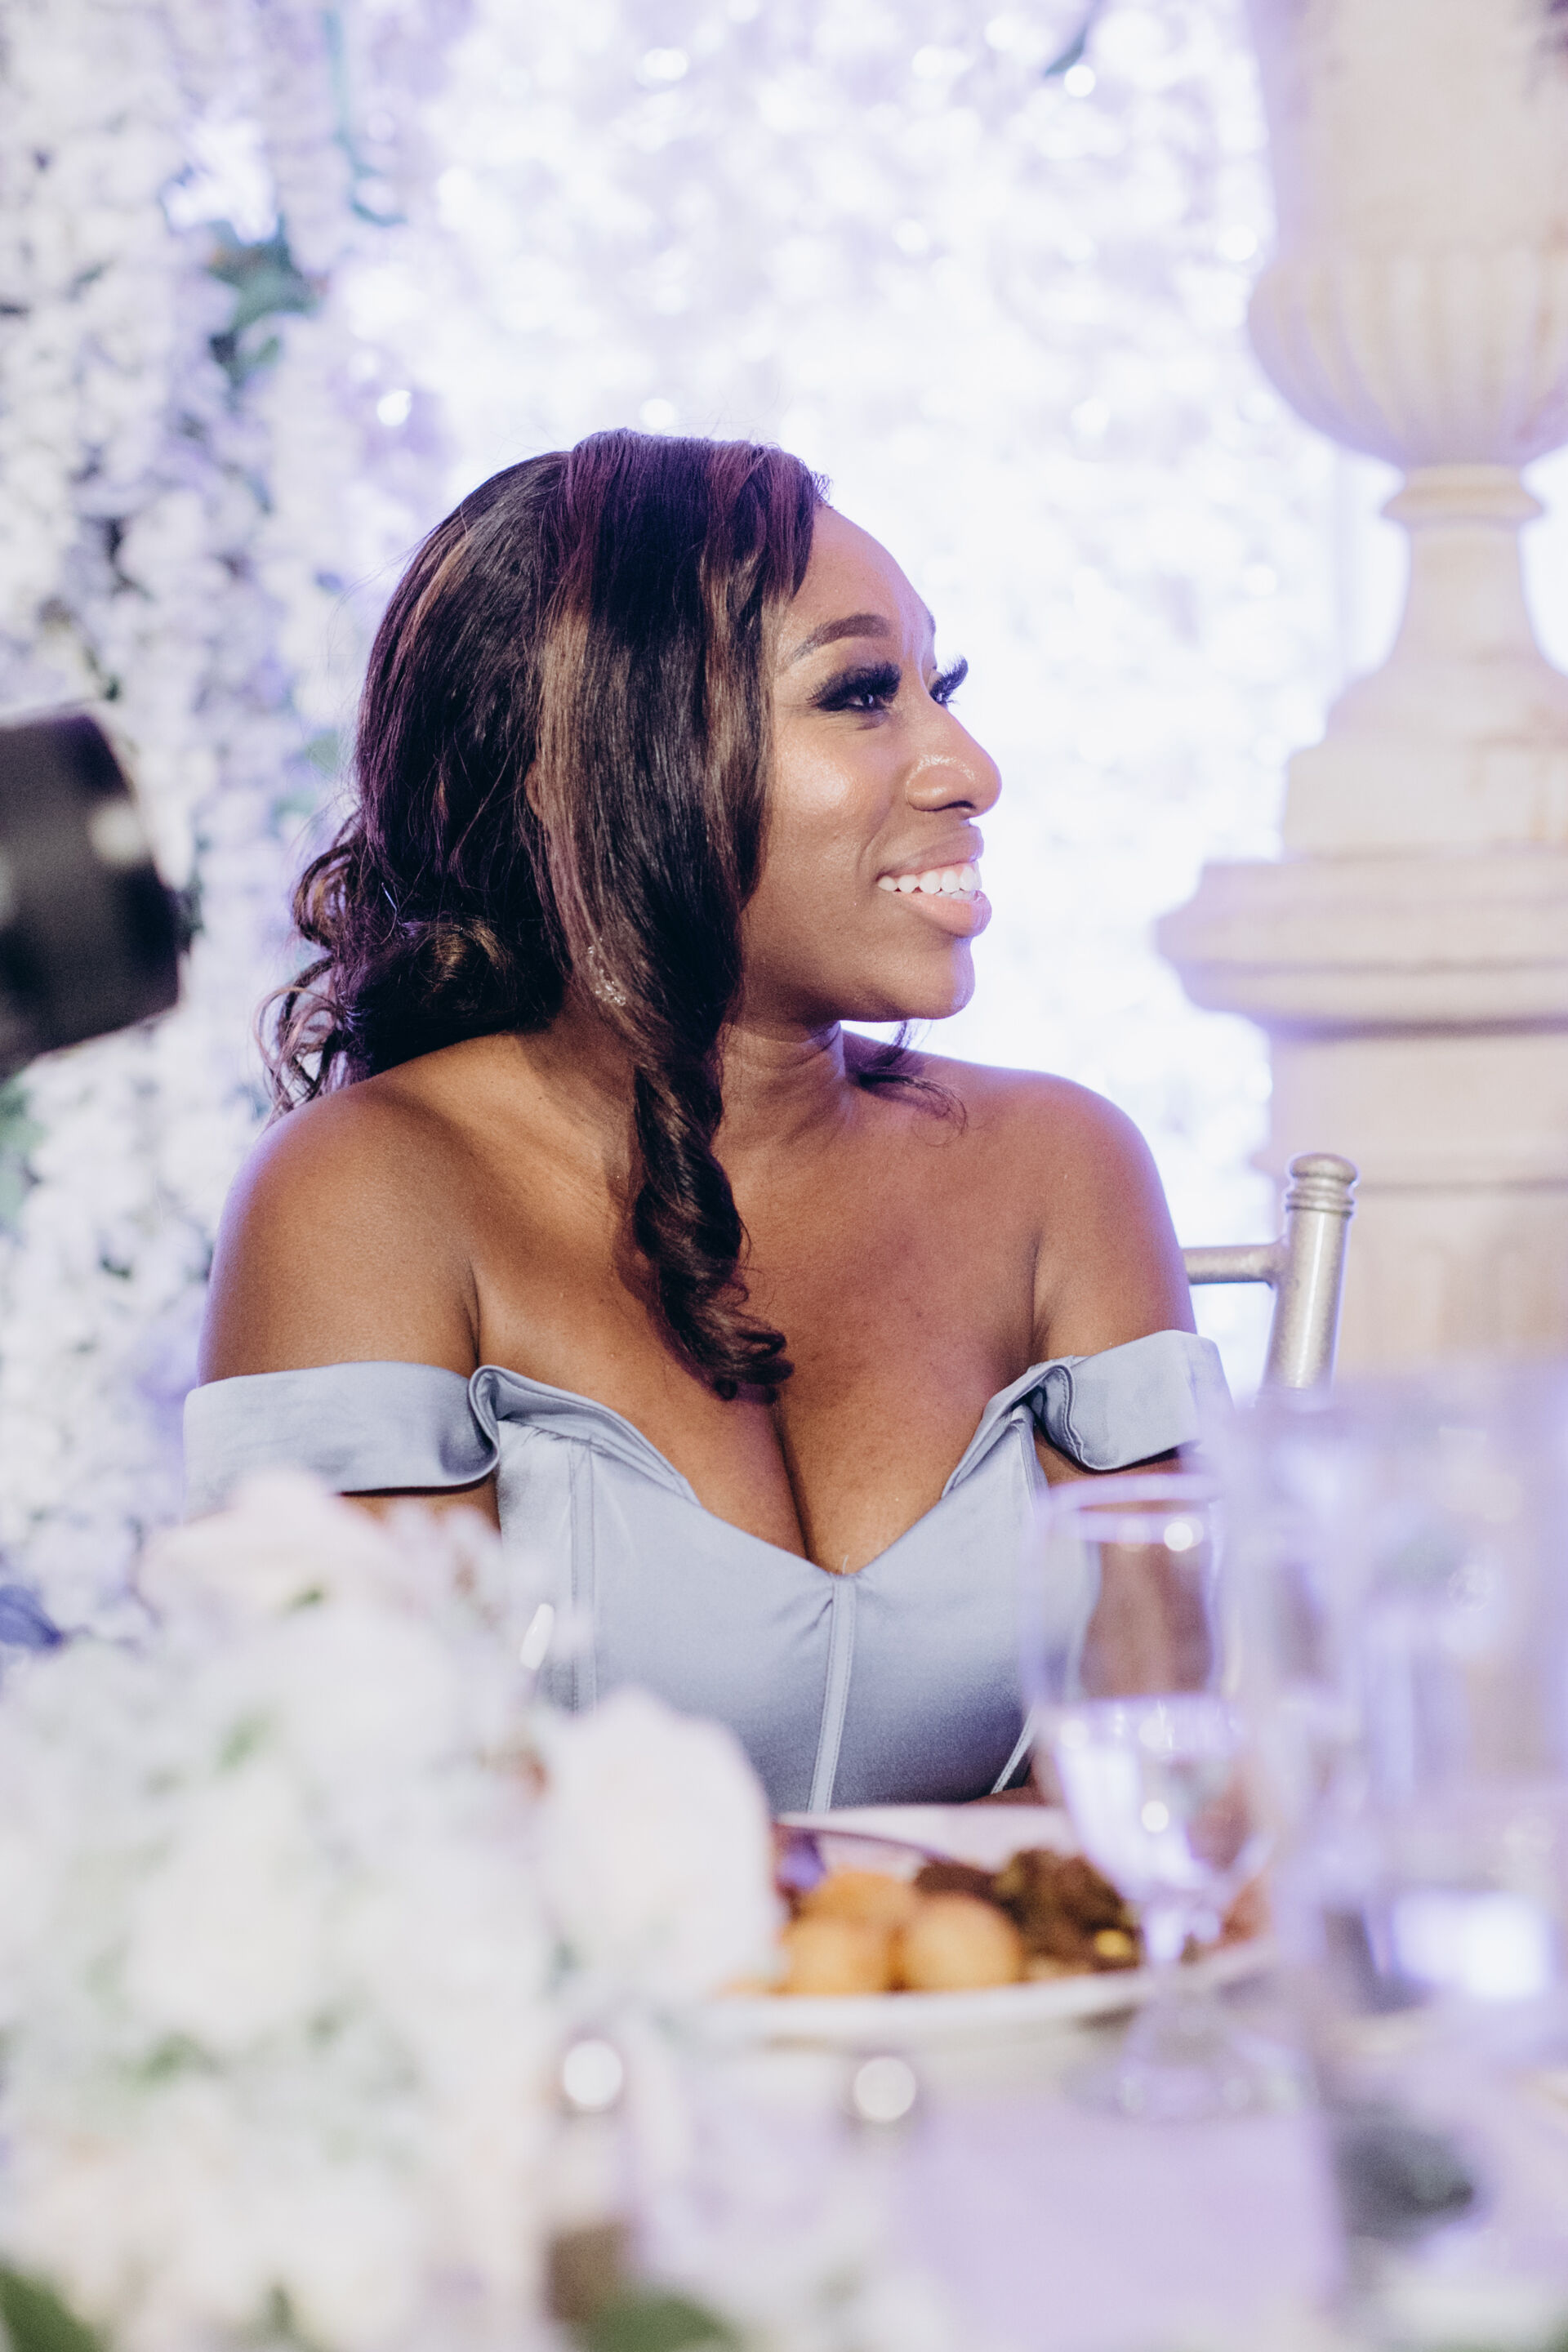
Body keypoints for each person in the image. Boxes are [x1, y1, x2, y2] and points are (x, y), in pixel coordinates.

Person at [185, 430, 1224, 1812]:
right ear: (596, 769)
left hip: (1022, 1966)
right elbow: (385, 1838)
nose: (970, 768)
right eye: (861, 694)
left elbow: (1177, 1781)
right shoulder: (371, 1194)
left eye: (941, 688)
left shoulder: (1063, 1172)